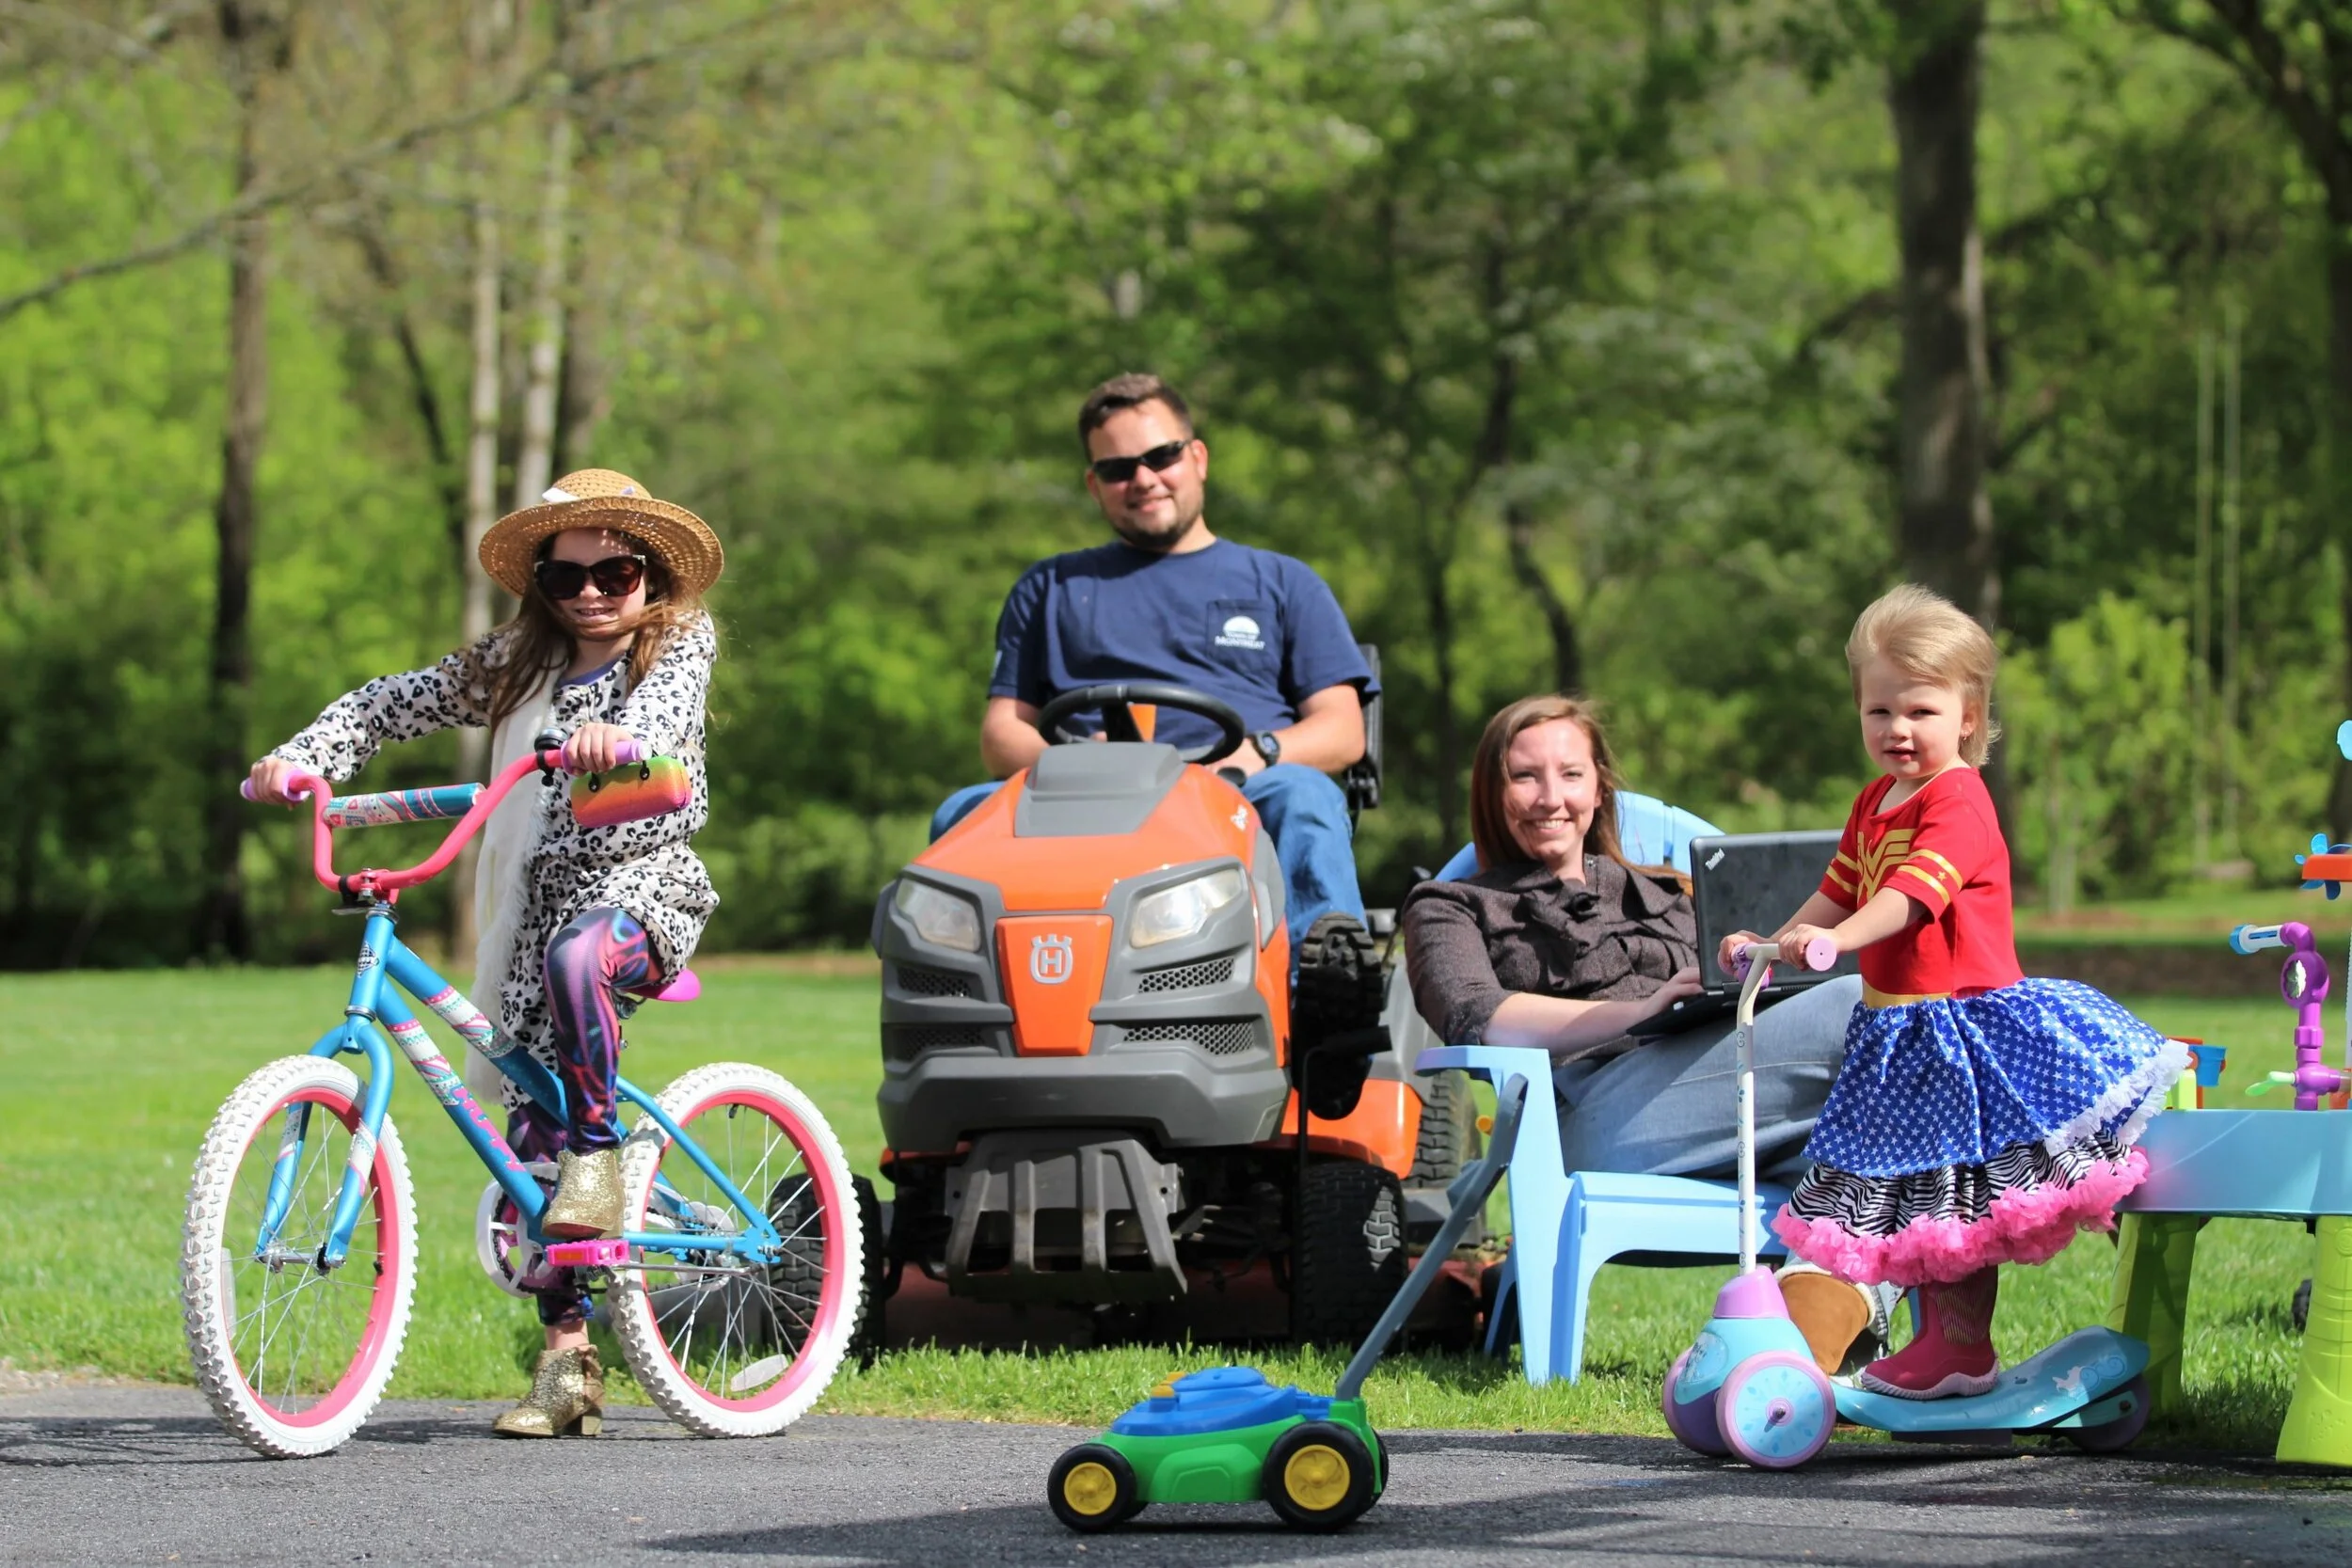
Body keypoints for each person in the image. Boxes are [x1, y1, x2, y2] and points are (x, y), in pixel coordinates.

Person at [250, 467, 723, 1438]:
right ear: (539, 587)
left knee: (577, 965)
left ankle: (603, 1154)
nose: (591, 592)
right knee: (526, 1138)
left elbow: (664, 723)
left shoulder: (674, 644)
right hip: (527, 910)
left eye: (616, 571)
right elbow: (393, 702)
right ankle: (568, 1363)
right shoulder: (517, 662)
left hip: (638, 889)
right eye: (566, 577)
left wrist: (612, 736)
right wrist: (307, 755)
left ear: (653, 576)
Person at [1717, 584, 2186, 1400]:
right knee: (1920, 1198)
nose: (1897, 729)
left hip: (1964, 1031)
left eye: (1920, 711)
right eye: (1878, 711)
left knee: (1959, 1197)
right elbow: (1841, 886)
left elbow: (1909, 895)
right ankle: (1945, 1344)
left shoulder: (1960, 798)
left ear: (1968, 715)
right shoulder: (1873, 801)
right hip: (1899, 1033)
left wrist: (1840, 941)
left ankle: (1961, 1348)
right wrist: (1773, 940)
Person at [1401, 694, 1883, 1373]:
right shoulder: (1451, 906)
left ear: (1599, 785)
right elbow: (1479, 1015)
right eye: (1524, 775)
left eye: (1570, 773)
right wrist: (1640, 1010)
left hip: (1734, 1094)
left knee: (1875, 1141)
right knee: (1867, 1006)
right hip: (1592, 1119)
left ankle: (1812, 1342)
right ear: (1492, 788)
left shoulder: (1674, 888)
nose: (1550, 797)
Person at [933, 372, 1386, 1033]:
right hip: (1083, 805)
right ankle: (963, 1017)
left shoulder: (1284, 582)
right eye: (1117, 468)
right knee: (962, 813)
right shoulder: (1051, 587)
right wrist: (1069, 759)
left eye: (1160, 456)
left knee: (1306, 796)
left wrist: (1259, 751)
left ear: (1196, 457)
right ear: (1094, 484)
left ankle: (1323, 1003)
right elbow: (1003, 734)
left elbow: (1344, 731)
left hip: (1234, 794)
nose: (1143, 478)